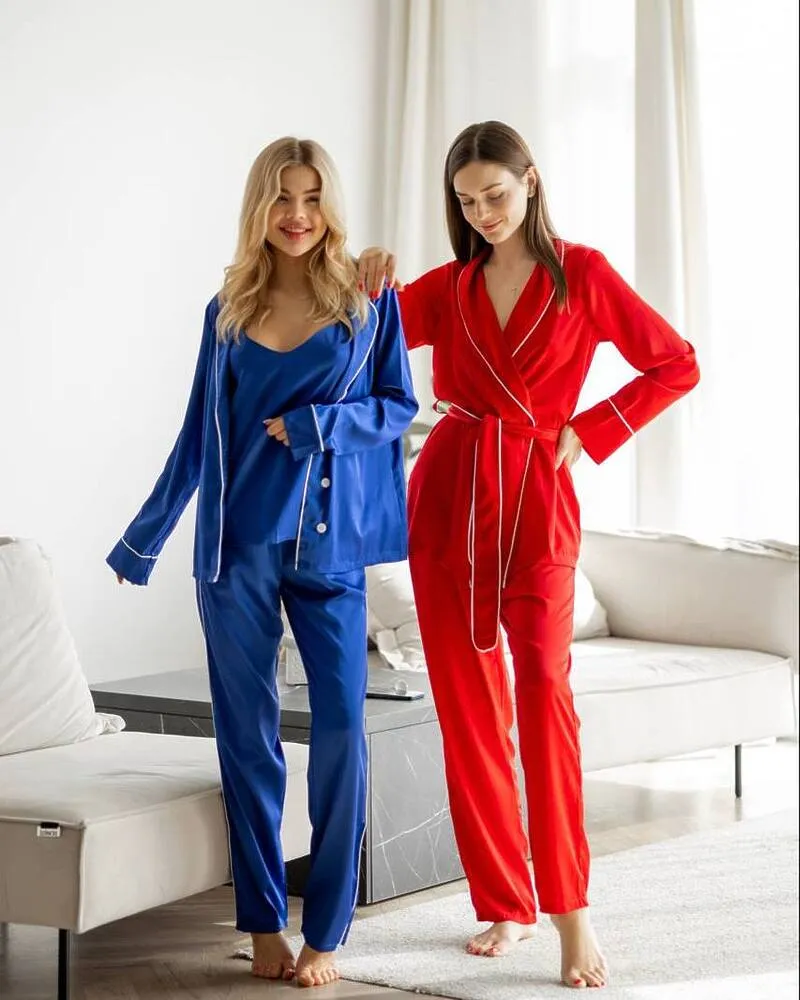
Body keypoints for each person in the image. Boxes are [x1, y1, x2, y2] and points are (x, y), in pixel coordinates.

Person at [358, 120, 700, 990]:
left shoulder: (583, 274)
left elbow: (675, 363)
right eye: (467, 201)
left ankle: (570, 912)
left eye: (497, 194)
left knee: (544, 693)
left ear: (532, 181)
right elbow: (355, 331)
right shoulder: (449, 286)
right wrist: (365, 269)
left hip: (539, 499)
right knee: (467, 706)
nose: (484, 213)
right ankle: (504, 901)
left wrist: (591, 429)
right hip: (448, 499)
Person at [107, 137, 418, 988]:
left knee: (342, 732)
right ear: (260, 206)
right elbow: (196, 438)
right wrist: (144, 538)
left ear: (330, 204)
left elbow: (398, 405)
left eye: (312, 197)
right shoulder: (227, 310)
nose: (298, 214)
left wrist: (321, 426)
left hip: (329, 547)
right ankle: (262, 921)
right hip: (235, 550)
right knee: (247, 739)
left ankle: (328, 929)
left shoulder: (366, 299)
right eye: (282, 197)